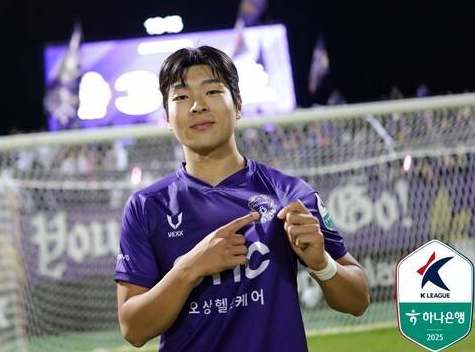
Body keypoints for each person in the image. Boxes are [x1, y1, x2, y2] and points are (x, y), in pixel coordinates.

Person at [115, 46, 370, 351]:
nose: (197, 105)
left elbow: (358, 300)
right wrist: (189, 268)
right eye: (181, 97)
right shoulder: (146, 206)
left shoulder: (289, 194)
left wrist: (322, 264)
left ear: (237, 105)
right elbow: (133, 329)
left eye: (212, 91)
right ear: (167, 117)